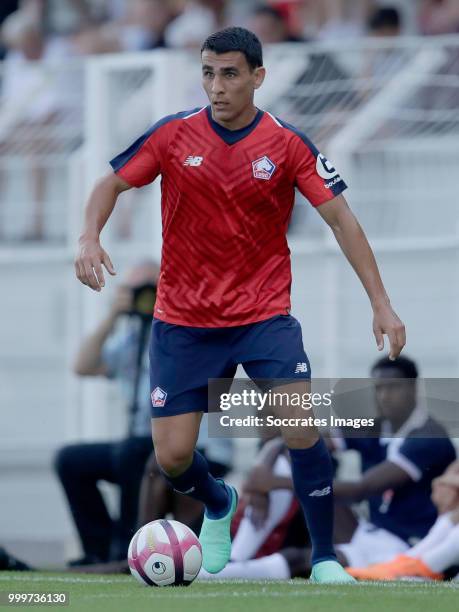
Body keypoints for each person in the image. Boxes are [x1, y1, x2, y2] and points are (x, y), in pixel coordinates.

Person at [74, 26, 405, 584]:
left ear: (258, 77)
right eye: (208, 72)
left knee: (300, 426)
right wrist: (89, 237)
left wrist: (382, 303)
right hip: (183, 320)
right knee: (174, 458)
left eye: (229, 74)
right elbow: (109, 184)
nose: (217, 86)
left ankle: (325, 558)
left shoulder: (288, 144)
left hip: (263, 315)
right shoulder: (173, 135)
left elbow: (343, 221)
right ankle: (219, 501)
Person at [199, 356, 456, 581]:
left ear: (413, 389)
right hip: (368, 529)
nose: (384, 396)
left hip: (406, 544)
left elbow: (360, 489)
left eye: (393, 388)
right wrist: (262, 469)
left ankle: (223, 571)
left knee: (300, 559)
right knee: (296, 459)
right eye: (379, 388)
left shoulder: (427, 437)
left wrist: (273, 482)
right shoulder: (378, 426)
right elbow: (303, 439)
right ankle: (236, 556)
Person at [55, 260, 159, 565]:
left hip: (180, 442)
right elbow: (83, 365)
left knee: (132, 453)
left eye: (148, 288)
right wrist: (115, 313)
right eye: (134, 290)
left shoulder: (181, 333)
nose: (143, 297)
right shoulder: (130, 340)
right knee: (70, 460)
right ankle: (98, 549)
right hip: (138, 443)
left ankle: (126, 547)